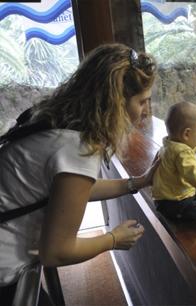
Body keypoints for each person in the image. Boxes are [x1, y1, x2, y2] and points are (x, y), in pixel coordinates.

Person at [0, 43, 159, 303]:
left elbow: (72, 191)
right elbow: (57, 251)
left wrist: (136, 182)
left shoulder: (53, 122)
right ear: (117, 102)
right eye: (142, 101)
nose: (145, 111)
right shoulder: (78, 148)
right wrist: (113, 239)